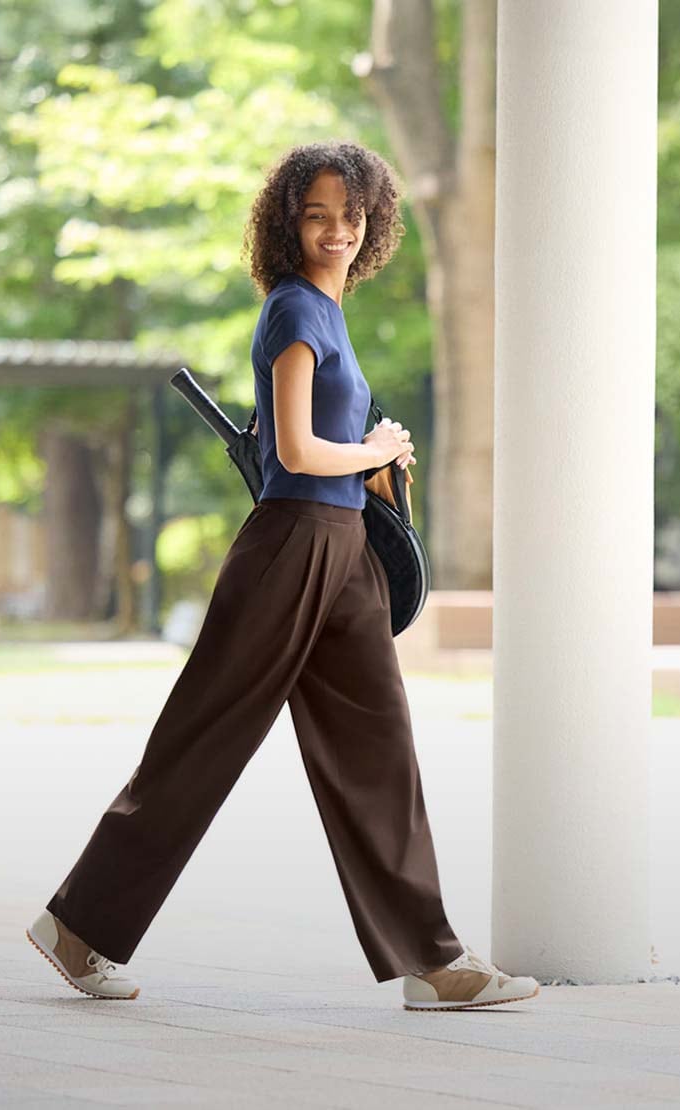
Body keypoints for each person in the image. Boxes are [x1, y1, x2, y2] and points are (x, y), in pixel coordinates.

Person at [26, 140, 540, 1012]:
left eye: (351, 215)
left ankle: (432, 961)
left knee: (382, 751)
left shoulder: (331, 315)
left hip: (342, 556)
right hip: (289, 549)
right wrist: (372, 448)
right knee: (202, 742)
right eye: (317, 216)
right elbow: (296, 453)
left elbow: (302, 448)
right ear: (287, 223)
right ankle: (77, 926)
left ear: (371, 221)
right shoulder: (294, 312)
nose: (337, 231)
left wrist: (372, 471)